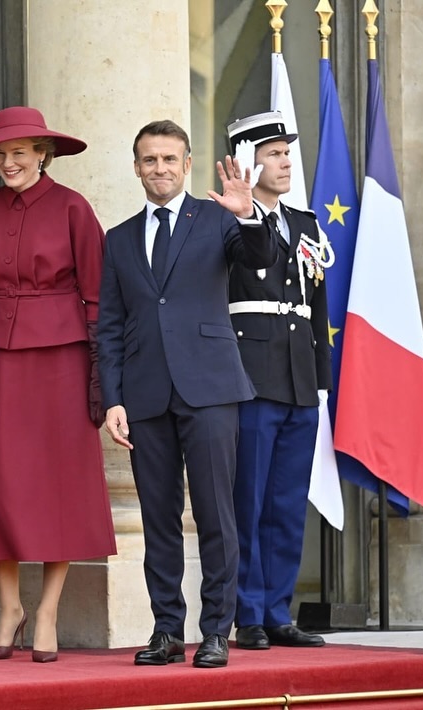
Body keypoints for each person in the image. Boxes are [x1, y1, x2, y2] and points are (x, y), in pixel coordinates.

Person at [98, 119, 276, 669]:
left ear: (187, 164)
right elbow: (109, 324)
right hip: (145, 393)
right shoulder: (119, 237)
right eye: (149, 160)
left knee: (216, 514)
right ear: (135, 167)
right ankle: (166, 630)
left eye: (169, 159)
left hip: (210, 387)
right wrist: (112, 398)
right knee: (157, 518)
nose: (160, 169)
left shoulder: (218, 219)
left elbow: (260, 258)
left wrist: (248, 214)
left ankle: (217, 630)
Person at [0, 106, 116, 663]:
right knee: (0, 483)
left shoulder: (73, 208)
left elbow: (97, 293)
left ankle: (46, 611)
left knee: (57, 486)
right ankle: (9, 609)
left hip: (62, 361)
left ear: (43, 153)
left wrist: (100, 373)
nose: (7, 163)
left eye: (18, 153)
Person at [225, 112, 332, 651]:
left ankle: (277, 611)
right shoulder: (224, 219)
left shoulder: (306, 222)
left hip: (297, 378)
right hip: (251, 376)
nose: (286, 161)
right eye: (273, 153)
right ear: (246, 161)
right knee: (250, 500)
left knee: (288, 501)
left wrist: (321, 378)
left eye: (288, 152)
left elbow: (316, 306)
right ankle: (247, 613)